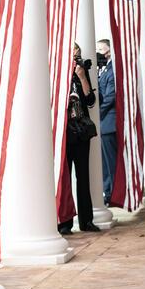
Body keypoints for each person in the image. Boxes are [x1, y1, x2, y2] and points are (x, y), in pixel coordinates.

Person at [58, 44, 101, 235]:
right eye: (73, 54)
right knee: (64, 178)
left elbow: (90, 101)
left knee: (83, 177)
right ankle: (65, 221)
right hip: (63, 132)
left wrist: (82, 76)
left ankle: (87, 221)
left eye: (78, 54)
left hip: (81, 131)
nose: (76, 58)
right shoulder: (57, 72)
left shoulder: (82, 72)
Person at [97, 39, 117, 206]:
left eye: (101, 49)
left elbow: (110, 96)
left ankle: (113, 193)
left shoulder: (113, 70)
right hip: (103, 123)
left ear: (109, 50)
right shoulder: (103, 69)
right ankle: (108, 191)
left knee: (111, 162)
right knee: (104, 163)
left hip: (108, 121)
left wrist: (96, 113)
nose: (99, 52)